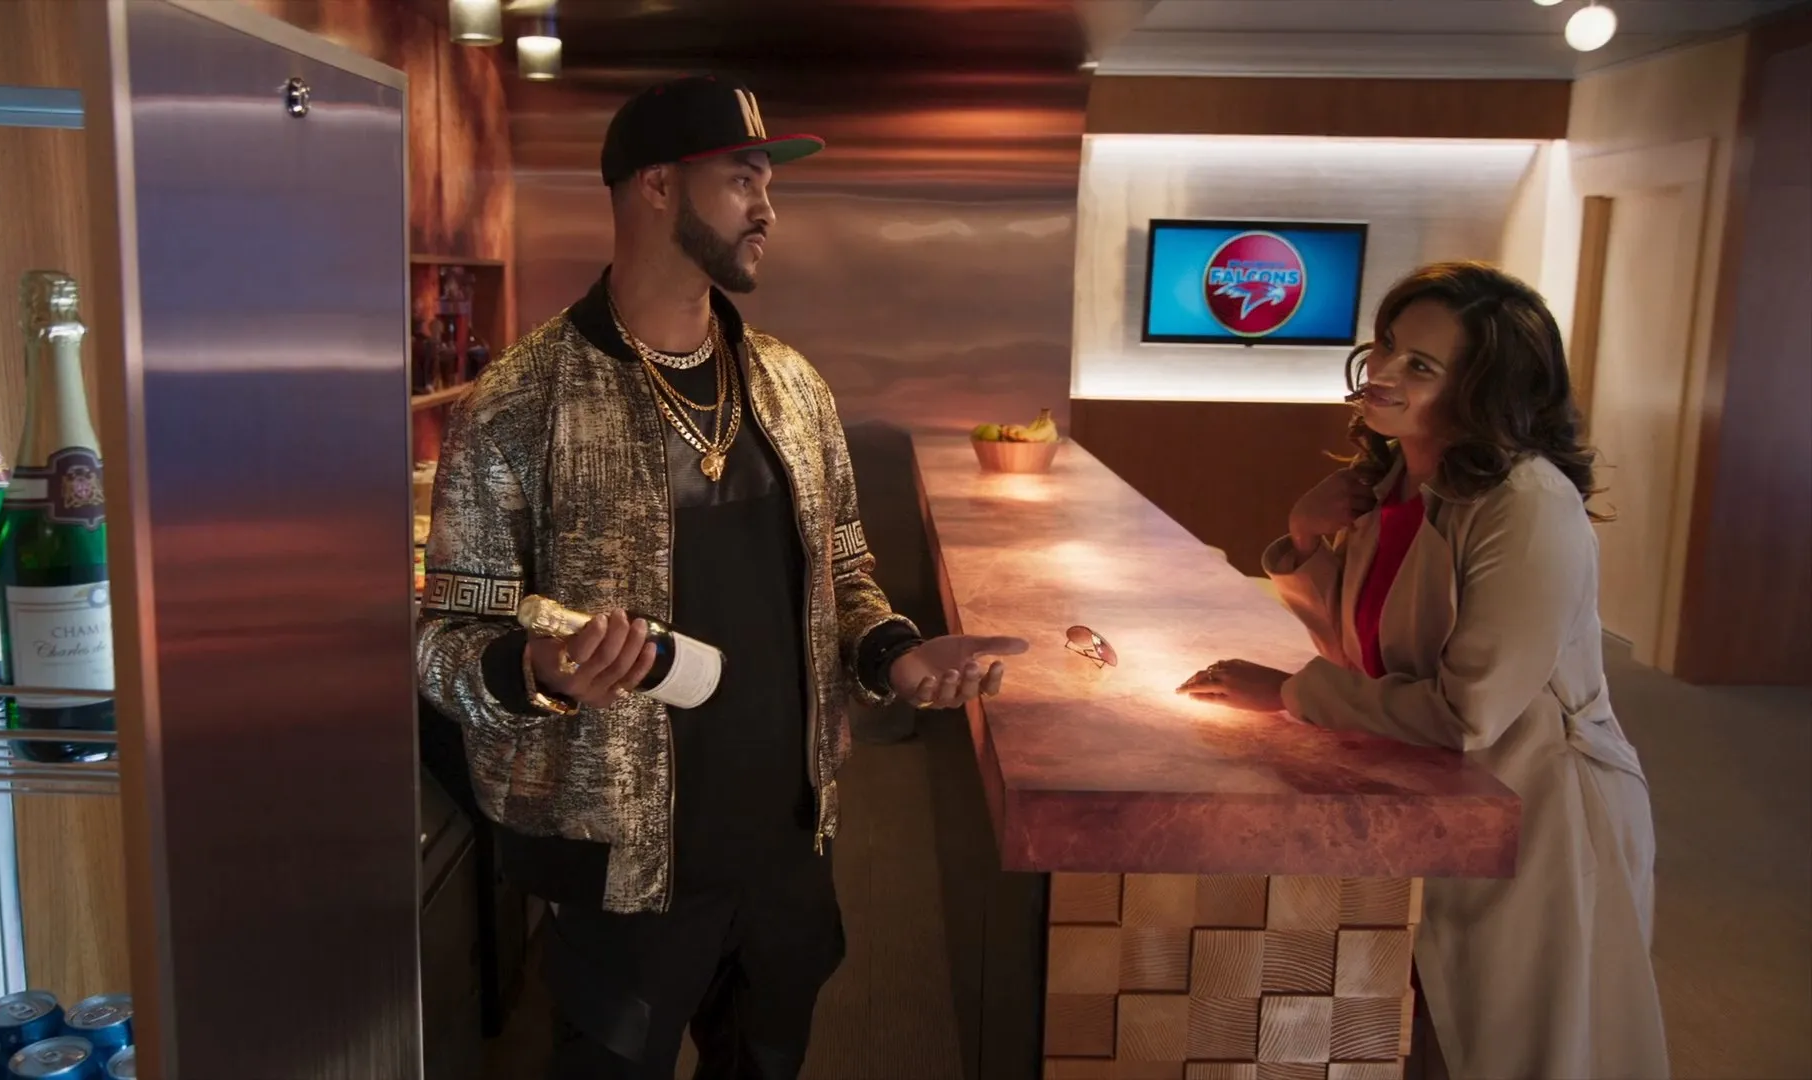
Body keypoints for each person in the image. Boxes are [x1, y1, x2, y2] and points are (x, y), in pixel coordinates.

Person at [415, 74, 1028, 1078]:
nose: (767, 207)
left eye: (767, 181)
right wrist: (539, 669)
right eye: (744, 178)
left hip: (787, 847)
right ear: (657, 186)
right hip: (622, 868)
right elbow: (445, 642)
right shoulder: (523, 401)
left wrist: (896, 656)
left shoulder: (792, 386)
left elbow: (845, 574)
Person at [1177, 262, 1668, 1079]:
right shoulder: (1397, 480)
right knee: (1421, 1026)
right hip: (1438, 797)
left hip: (1535, 808)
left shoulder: (1526, 506)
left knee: (1510, 1043)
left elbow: (1465, 714)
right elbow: (1365, 658)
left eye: (1420, 365)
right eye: (1386, 346)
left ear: (1480, 391)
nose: (1382, 372)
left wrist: (1290, 694)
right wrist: (1303, 538)